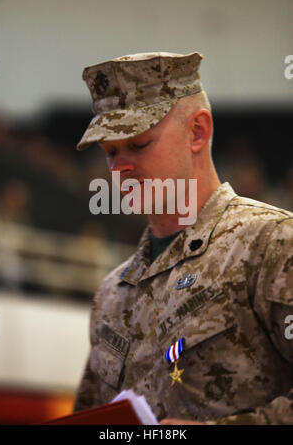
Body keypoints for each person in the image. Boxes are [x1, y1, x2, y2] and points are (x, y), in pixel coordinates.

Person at [74, 52, 293, 425]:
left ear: (197, 132)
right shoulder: (112, 294)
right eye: (110, 152)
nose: (119, 167)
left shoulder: (271, 244)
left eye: (139, 144)